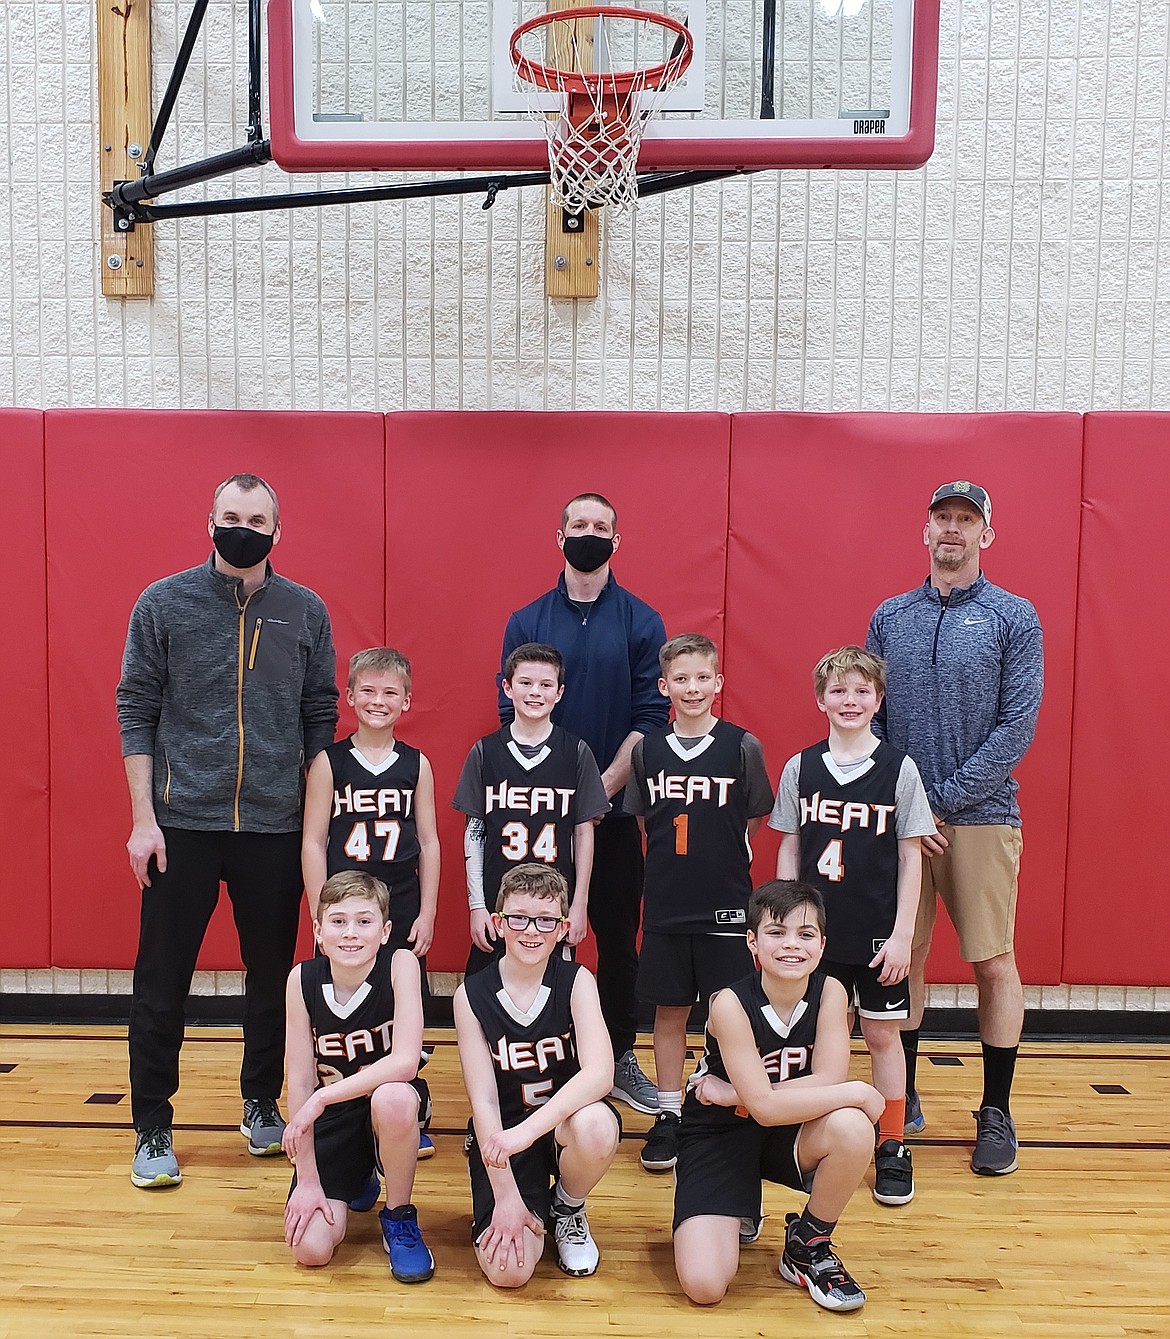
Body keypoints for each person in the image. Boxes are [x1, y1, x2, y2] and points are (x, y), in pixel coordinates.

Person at [117, 472, 338, 1189]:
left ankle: (259, 1100)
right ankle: (152, 1123)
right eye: (231, 515)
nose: (244, 526)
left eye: (258, 517)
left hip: (273, 828)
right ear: (208, 522)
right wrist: (143, 819)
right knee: (161, 982)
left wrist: (312, 819)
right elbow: (136, 708)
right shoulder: (164, 602)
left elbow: (319, 715)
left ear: (280, 530)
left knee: (274, 980)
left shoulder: (305, 610)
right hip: (182, 824)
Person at [866, 481, 1043, 1175]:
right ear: (926, 530)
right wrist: (911, 807)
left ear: (985, 535)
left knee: (993, 961)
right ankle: (902, 1091)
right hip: (904, 824)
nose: (953, 529)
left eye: (966, 520)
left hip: (982, 818)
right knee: (899, 959)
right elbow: (869, 717)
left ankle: (995, 1109)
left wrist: (942, 800)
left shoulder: (1014, 617)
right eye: (943, 517)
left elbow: (1017, 725)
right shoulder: (891, 614)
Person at [499, 493, 669, 1115]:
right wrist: (559, 796)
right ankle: (544, 1052)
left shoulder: (643, 621)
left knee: (619, 938)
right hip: (536, 821)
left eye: (601, 527)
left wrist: (597, 795)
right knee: (538, 934)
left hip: (617, 818)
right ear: (560, 535)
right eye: (579, 525)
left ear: (616, 541)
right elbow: (511, 712)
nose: (588, 534)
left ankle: (620, 1055)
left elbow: (650, 721)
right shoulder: (528, 620)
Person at [771, 646, 935, 1206]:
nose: (850, 700)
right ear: (821, 700)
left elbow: (912, 856)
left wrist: (902, 936)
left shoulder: (898, 769)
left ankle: (891, 1145)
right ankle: (821, 1137)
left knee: (884, 1036)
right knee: (822, 1037)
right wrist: (785, 925)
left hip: (874, 934)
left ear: (878, 700)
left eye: (861, 691)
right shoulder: (802, 766)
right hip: (818, 936)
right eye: (839, 691)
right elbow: (790, 845)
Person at [672, 881, 882, 1311]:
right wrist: (858, 1090)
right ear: (752, 942)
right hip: (719, 1136)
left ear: (822, 946)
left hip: (786, 1128)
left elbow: (827, 1077)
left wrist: (734, 1093)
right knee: (705, 1286)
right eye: (776, 932)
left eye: (805, 935)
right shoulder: (728, 1003)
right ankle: (729, 1204)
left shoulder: (831, 993)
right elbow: (767, 1107)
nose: (792, 945)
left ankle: (807, 1243)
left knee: (852, 1127)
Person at [624, 633, 774, 1174]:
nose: (692, 688)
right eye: (680, 679)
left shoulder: (741, 746)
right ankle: (667, 1113)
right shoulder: (648, 750)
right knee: (669, 1012)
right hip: (666, 901)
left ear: (718, 683)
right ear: (664, 685)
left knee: (725, 1013)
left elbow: (754, 815)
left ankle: (716, 1103)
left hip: (726, 902)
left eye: (702, 678)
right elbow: (647, 820)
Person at [302, 645, 440, 1159]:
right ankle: (341, 1102)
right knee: (341, 1010)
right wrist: (322, 911)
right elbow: (314, 840)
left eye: (390, 692)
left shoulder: (416, 765)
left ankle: (407, 1100)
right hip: (347, 907)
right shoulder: (329, 762)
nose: (378, 700)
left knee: (402, 1004)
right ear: (350, 695)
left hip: (399, 903)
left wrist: (427, 910)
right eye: (368, 690)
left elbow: (428, 841)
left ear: (406, 700)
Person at [453, 864, 620, 1287]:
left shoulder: (577, 980)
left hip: (556, 1129)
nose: (532, 930)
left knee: (598, 1123)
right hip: (502, 1139)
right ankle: (521, 1199)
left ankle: (566, 1206)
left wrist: (527, 1133)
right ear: (498, 924)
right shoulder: (470, 995)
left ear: (562, 928)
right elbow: (484, 1102)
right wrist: (506, 1196)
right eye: (519, 918)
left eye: (546, 920)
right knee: (510, 1273)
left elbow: (600, 1074)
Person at [281, 871, 434, 1283]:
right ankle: (358, 1176)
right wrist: (308, 1179)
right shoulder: (303, 980)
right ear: (317, 930)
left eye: (364, 921)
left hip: (387, 1108)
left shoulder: (401, 964)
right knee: (310, 1249)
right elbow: (298, 1082)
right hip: (334, 1119)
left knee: (396, 1097)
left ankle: (398, 1216)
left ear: (385, 931)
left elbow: (404, 1061)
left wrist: (322, 1097)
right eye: (338, 921)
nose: (351, 933)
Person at [453, 643, 609, 977]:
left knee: (555, 997)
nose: (535, 692)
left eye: (545, 685)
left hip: (554, 906)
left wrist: (579, 904)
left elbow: (584, 832)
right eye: (525, 683)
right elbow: (474, 834)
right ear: (507, 688)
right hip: (499, 908)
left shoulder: (576, 753)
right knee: (483, 998)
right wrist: (477, 905)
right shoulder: (485, 752)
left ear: (560, 692)